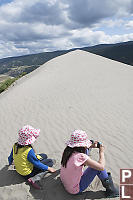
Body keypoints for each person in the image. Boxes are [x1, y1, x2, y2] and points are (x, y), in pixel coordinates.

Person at [60, 130, 119, 198]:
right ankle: (112, 191)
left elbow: (81, 151)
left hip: (64, 181)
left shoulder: (67, 151)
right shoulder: (80, 157)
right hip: (74, 189)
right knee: (97, 168)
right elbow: (101, 167)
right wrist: (101, 152)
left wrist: (90, 146)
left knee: (87, 152)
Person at [8, 125, 56, 189]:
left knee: (44, 155)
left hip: (18, 170)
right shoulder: (29, 151)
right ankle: (34, 179)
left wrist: (10, 163)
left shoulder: (15, 145)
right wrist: (49, 168)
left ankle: (34, 173)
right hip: (27, 173)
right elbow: (37, 164)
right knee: (50, 162)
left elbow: (10, 157)